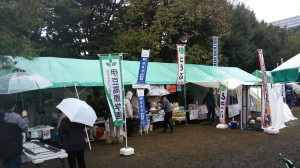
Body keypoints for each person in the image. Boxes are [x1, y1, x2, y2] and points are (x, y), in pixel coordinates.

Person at [0, 94, 29, 168]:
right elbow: (25, 129)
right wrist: (25, 117)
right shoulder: (16, 117)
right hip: (14, 150)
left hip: (2, 148)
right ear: (14, 105)